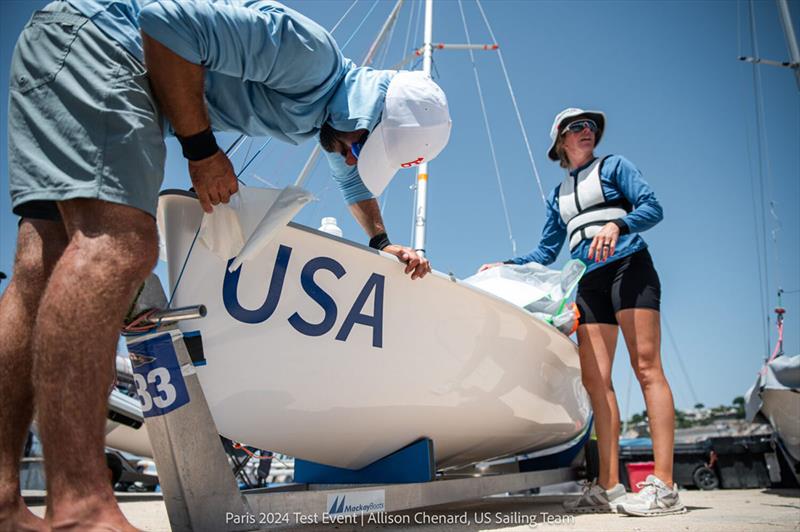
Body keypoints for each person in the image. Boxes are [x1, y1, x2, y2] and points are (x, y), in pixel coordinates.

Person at [0, 1, 449, 530]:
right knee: (119, 244)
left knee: (42, 266)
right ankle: (80, 508)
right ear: (366, 112)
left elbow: (352, 184)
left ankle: (5, 501)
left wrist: (381, 242)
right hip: (107, 46)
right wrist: (202, 149)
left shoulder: (331, 118)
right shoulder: (311, 56)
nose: (351, 157)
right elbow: (166, 27)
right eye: (359, 146)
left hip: (56, 44)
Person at [479, 108, 684, 517]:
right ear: (560, 142)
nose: (586, 131)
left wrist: (619, 225)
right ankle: (609, 485)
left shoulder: (615, 167)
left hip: (630, 268)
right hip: (588, 282)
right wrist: (506, 265)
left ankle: (665, 486)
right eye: (576, 127)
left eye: (590, 125)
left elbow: (652, 207)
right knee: (595, 381)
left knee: (646, 368)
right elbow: (545, 252)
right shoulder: (557, 195)